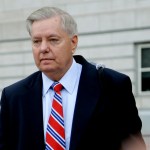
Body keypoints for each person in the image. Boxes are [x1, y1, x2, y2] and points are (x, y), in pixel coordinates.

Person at [0, 6, 146, 150]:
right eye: (36, 41)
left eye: (53, 39)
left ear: (73, 42)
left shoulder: (112, 85)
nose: (43, 48)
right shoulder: (14, 96)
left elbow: (133, 145)